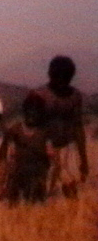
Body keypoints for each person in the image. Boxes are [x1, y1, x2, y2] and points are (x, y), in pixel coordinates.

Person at [26, 56, 88, 198]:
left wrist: (83, 159)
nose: (61, 82)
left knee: (71, 187)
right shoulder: (39, 95)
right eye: (58, 78)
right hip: (44, 147)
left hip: (68, 146)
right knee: (46, 190)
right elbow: (31, 126)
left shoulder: (75, 96)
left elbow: (78, 126)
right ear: (51, 75)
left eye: (65, 78)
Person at [0, 94, 56, 204]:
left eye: (36, 111)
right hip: (17, 177)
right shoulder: (14, 130)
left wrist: (50, 187)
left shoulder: (45, 132)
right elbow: (8, 157)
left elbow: (52, 158)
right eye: (29, 110)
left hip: (37, 177)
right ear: (25, 111)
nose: (32, 114)